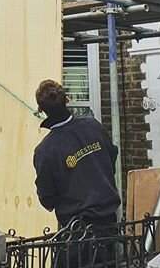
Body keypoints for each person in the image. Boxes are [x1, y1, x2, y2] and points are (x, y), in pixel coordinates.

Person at [33, 79, 120, 264]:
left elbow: (47, 199)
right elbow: (111, 160)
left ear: (40, 109)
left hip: (75, 236)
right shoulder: (94, 127)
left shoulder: (45, 150)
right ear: (68, 99)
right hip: (109, 228)